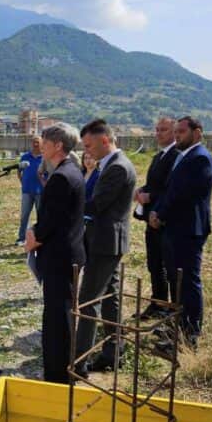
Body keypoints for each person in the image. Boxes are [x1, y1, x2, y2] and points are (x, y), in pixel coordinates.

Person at [24, 124, 85, 384]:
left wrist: (33, 237)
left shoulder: (61, 177)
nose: (42, 146)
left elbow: (53, 220)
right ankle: (64, 369)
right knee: (62, 312)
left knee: (57, 317)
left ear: (58, 145)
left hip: (59, 255)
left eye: (46, 142)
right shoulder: (71, 170)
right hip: (67, 253)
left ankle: (58, 375)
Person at [74, 119, 137, 372]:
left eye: (89, 146)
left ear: (104, 140)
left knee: (88, 301)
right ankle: (113, 352)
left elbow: (96, 205)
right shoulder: (110, 164)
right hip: (105, 240)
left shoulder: (117, 167)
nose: (86, 151)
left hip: (105, 243)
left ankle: (79, 362)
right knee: (111, 298)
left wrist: (66, 206)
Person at [150, 116, 212, 351]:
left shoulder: (200, 158)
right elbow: (170, 190)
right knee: (177, 282)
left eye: (181, 132)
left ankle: (189, 336)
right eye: (176, 131)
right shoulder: (184, 156)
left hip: (188, 230)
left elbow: (184, 195)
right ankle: (177, 328)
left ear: (197, 133)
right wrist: (157, 210)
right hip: (175, 228)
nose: (177, 135)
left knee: (187, 282)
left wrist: (161, 214)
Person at [134, 117, 178, 316]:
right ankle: (158, 302)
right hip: (151, 219)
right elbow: (154, 184)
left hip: (164, 219)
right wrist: (141, 190)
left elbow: (172, 188)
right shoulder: (159, 156)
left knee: (168, 265)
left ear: (174, 132)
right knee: (154, 263)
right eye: (157, 129)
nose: (158, 133)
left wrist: (150, 196)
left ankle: (171, 309)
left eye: (164, 129)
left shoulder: (176, 156)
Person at [17, 136, 44, 245]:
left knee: (41, 216)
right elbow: (19, 172)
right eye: (33, 142)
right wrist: (23, 183)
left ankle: (40, 237)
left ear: (42, 144)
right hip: (27, 191)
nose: (35, 144)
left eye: (37, 142)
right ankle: (22, 238)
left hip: (40, 191)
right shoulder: (25, 157)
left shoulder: (44, 157)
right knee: (24, 215)